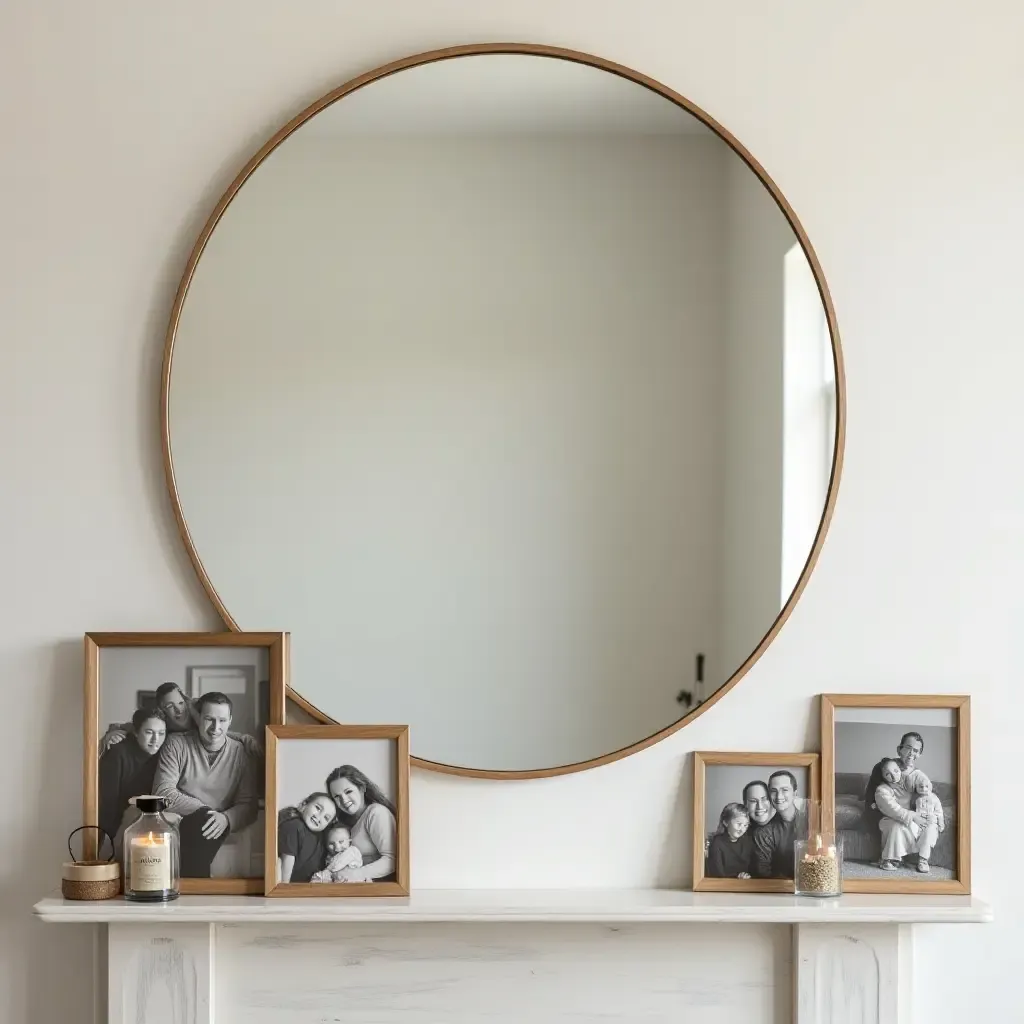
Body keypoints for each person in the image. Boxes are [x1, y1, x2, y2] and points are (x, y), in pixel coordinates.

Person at [152, 691, 259, 878]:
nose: (215, 727)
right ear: (198, 717)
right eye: (209, 719)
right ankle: (198, 887)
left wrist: (226, 818)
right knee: (201, 823)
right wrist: (205, 812)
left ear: (230, 720)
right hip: (181, 819)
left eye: (223, 721)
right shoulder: (176, 744)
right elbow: (162, 791)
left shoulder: (241, 753)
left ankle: (189, 886)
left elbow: (248, 804)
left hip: (218, 823)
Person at [100, 683, 262, 759]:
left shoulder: (195, 709)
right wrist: (112, 733)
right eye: (170, 706)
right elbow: (131, 726)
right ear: (162, 710)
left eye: (180, 703)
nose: (179, 710)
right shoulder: (162, 724)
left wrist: (244, 738)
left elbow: (217, 729)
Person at [98, 707, 167, 850]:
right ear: (135, 732)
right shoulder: (117, 754)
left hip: (149, 827)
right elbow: (108, 803)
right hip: (118, 829)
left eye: (161, 733)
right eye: (149, 732)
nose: (156, 740)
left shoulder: (165, 755)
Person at [325, 765, 398, 882]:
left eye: (348, 791)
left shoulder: (376, 813)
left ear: (362, 788)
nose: (344, 800)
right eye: (337, 797)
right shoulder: (343, 824)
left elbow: (393, 860)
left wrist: (353, 875)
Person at [752, 770, 807, 878]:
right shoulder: (764, 833)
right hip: (780, 889)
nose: (778, 796)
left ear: (795, 794)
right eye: (773, 791)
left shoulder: (812, 821)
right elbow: (762, 872)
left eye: (784, 790)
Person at [277, 792, 337, 883]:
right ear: (304, 805)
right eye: (318, 808)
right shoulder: (294, 826)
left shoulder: (321, 837)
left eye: (326, 818)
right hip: (290, 887)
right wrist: (285, 890)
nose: (319, 817)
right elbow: (286, 862)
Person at [705, 803, 753, 879]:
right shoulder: (717, 843)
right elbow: (717, 874)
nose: (742, 829)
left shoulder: (747, 841)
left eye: (745, 825)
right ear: (726, 822)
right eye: (739, 824)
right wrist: (737, 878)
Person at [912, 774, 945, 873]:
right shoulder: (915, 798)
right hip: (918, 820)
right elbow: (911, 810)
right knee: (908, 829)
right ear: (916, 788)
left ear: (930, 787)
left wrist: (941, 822)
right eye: (920, 787)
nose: (923, 789)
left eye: (926, 786)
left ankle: (923, 859)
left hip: (930, 820)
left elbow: (939, 812)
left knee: (929, 833)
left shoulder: (934, 798)